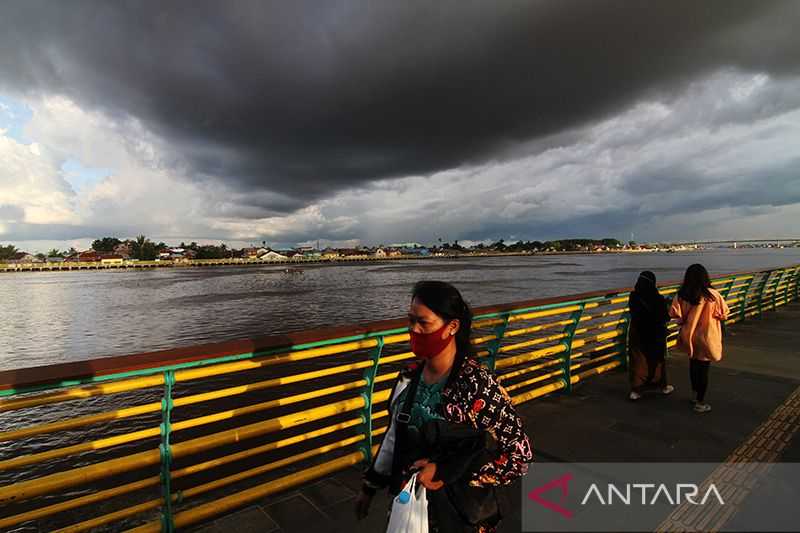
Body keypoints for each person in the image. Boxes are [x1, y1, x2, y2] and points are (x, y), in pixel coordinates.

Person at [355, 281, 533, 532]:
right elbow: (394, 436)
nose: (413, 330)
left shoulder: (477, 385)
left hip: (457, 513)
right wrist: (369, 487)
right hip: (407, 508)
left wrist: (446, 470)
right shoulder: (408, 377)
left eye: (423, 323)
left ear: (452, 327)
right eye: (410, 320)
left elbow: (518, 456)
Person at [669, 264, 730, 413]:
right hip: (707, 336)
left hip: (690, 336)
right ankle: (701, 402)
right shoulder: (713, 295)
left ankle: (695, 395)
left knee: (693, 365)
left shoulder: (682, 294)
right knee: (703, 369)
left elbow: (674, 314)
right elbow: (724, 314)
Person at [627, 271, 674, 401]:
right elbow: (665, 317)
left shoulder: (633, 296)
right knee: (657, 359)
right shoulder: (658, 298)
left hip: (638, 332)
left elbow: (634, 313)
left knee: (638, 359)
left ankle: (636, 390)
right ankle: (661, 385)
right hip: (656, 332)